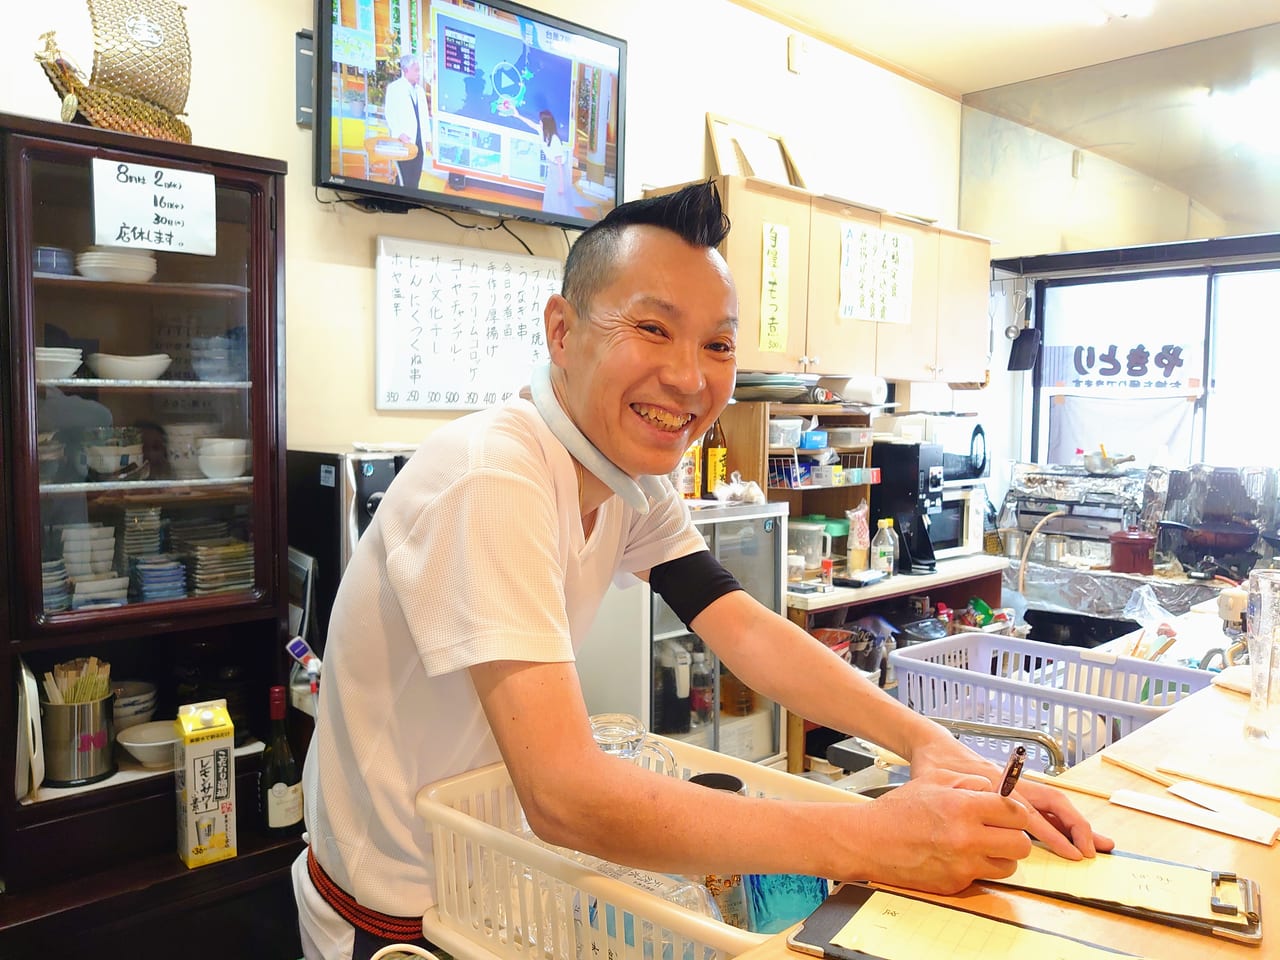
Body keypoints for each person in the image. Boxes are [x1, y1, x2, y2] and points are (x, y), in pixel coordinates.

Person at [292, 180, 1112, 960]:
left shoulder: (628, 478)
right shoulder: (494, 475)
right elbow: (567, 794)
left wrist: (931, 747)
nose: (689, 378)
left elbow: (742, 627)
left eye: (717, 344)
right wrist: (872, 838)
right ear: (562, 330)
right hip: (395, 914)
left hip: (496, 881)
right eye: (653, 329)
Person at [509, 106, 576, 216]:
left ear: (546, 123)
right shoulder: (543, 132)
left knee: (559, 198)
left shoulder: (554, 140)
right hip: (553, 169)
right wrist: (518, 115)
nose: (539, 122)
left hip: (559, 171)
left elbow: (559, 164)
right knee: (550, 195)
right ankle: (549, 216)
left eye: (541, 120)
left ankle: (560, 218)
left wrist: (561, 185)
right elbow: (531, 124)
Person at [383, 54, 429, 190]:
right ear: (406, 70)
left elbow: (424, 116)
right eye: (416, 70)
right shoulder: (394, 88)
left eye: (419, 70)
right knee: (404, 177)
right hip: (404, 141)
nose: (418, 74)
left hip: (419, 143)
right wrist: (398, 134)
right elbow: (390, 114)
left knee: (415, 177)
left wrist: (428, 139)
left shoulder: (420, 91)